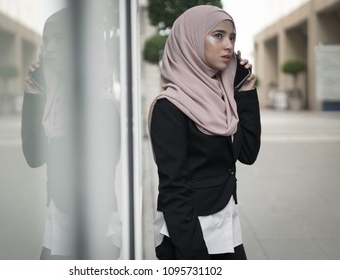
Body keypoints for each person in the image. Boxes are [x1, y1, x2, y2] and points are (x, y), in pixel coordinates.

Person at [148, 5, 261, 260]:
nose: (228, 45)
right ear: (190, 41)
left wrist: (245, 92)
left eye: (232, 37)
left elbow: (248, 153)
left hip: (226, 226)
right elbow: (173, 189)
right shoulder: (170, 107)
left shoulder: (224, 97)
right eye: (218, 35)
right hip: (190, 235)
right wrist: (195, 256)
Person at [21, 9, 121, 259]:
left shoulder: (101, 106)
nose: (50, 48)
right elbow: (34, 157)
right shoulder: (54, 102)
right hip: (57, 223)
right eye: (47, 40)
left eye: (61, 38)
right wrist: (34, 93)